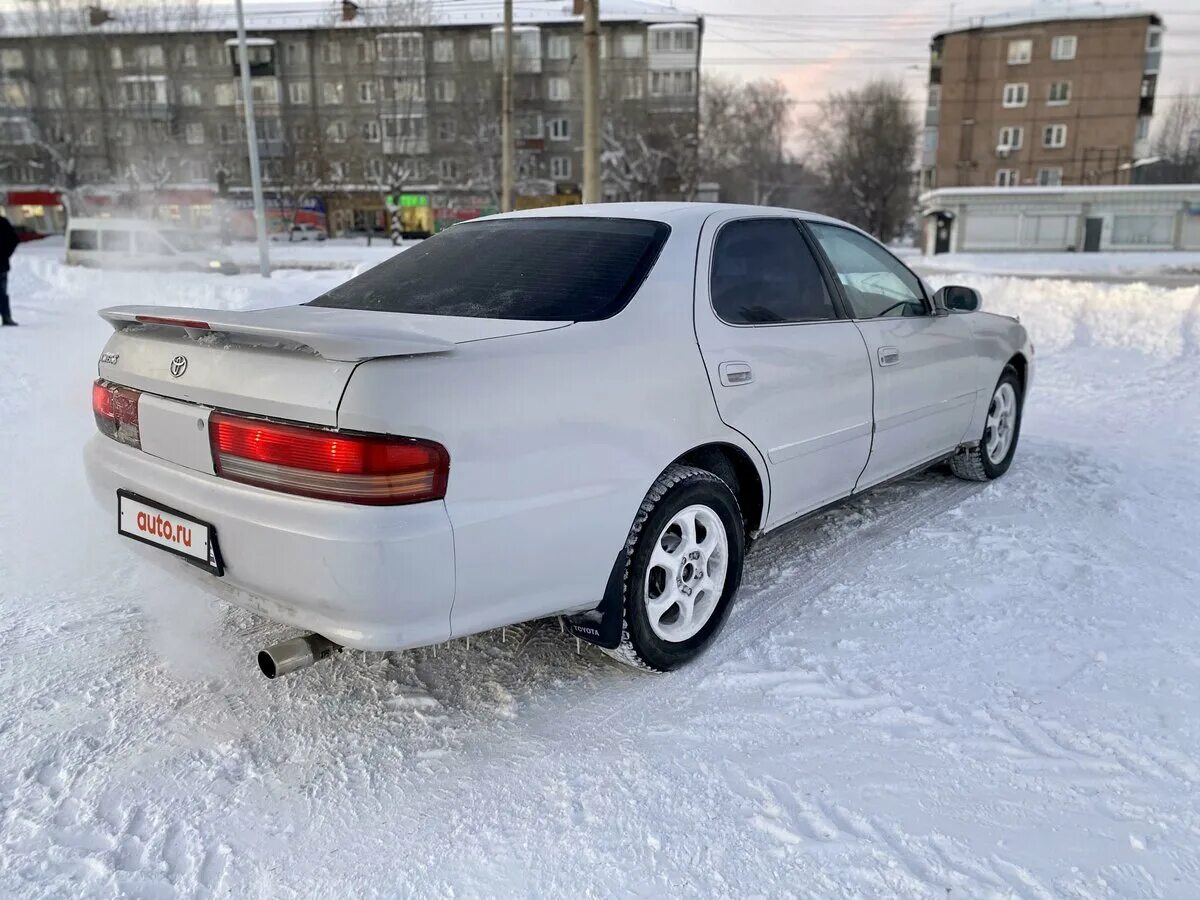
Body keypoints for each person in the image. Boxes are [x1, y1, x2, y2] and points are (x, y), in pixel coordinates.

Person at [0, 213, 17, 326]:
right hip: (2, 265)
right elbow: (14, 240)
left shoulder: (3, 223)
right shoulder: (3, 222)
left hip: (1, 265)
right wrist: (6, 254)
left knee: (2, 293)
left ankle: (6, 317)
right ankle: (6, 317)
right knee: (2, 293)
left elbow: (14, 240)